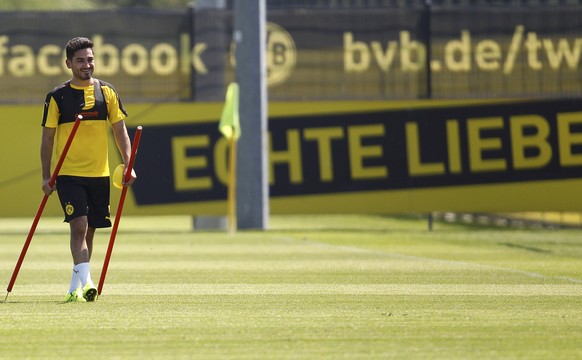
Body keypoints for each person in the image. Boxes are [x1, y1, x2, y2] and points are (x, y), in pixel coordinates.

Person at [41, 37, 136, 302]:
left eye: (90, 59)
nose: (87, 64)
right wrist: (46, 176)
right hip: (69, 174)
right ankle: (89, 282)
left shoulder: (107, 92)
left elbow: (120, 130)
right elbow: (47, 138)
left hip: (100, 174)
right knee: (79, 227)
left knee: (90, 229)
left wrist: (129, 163)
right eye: (81, 60)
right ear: (69, 63)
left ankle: (75, 286)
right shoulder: (57, 97)